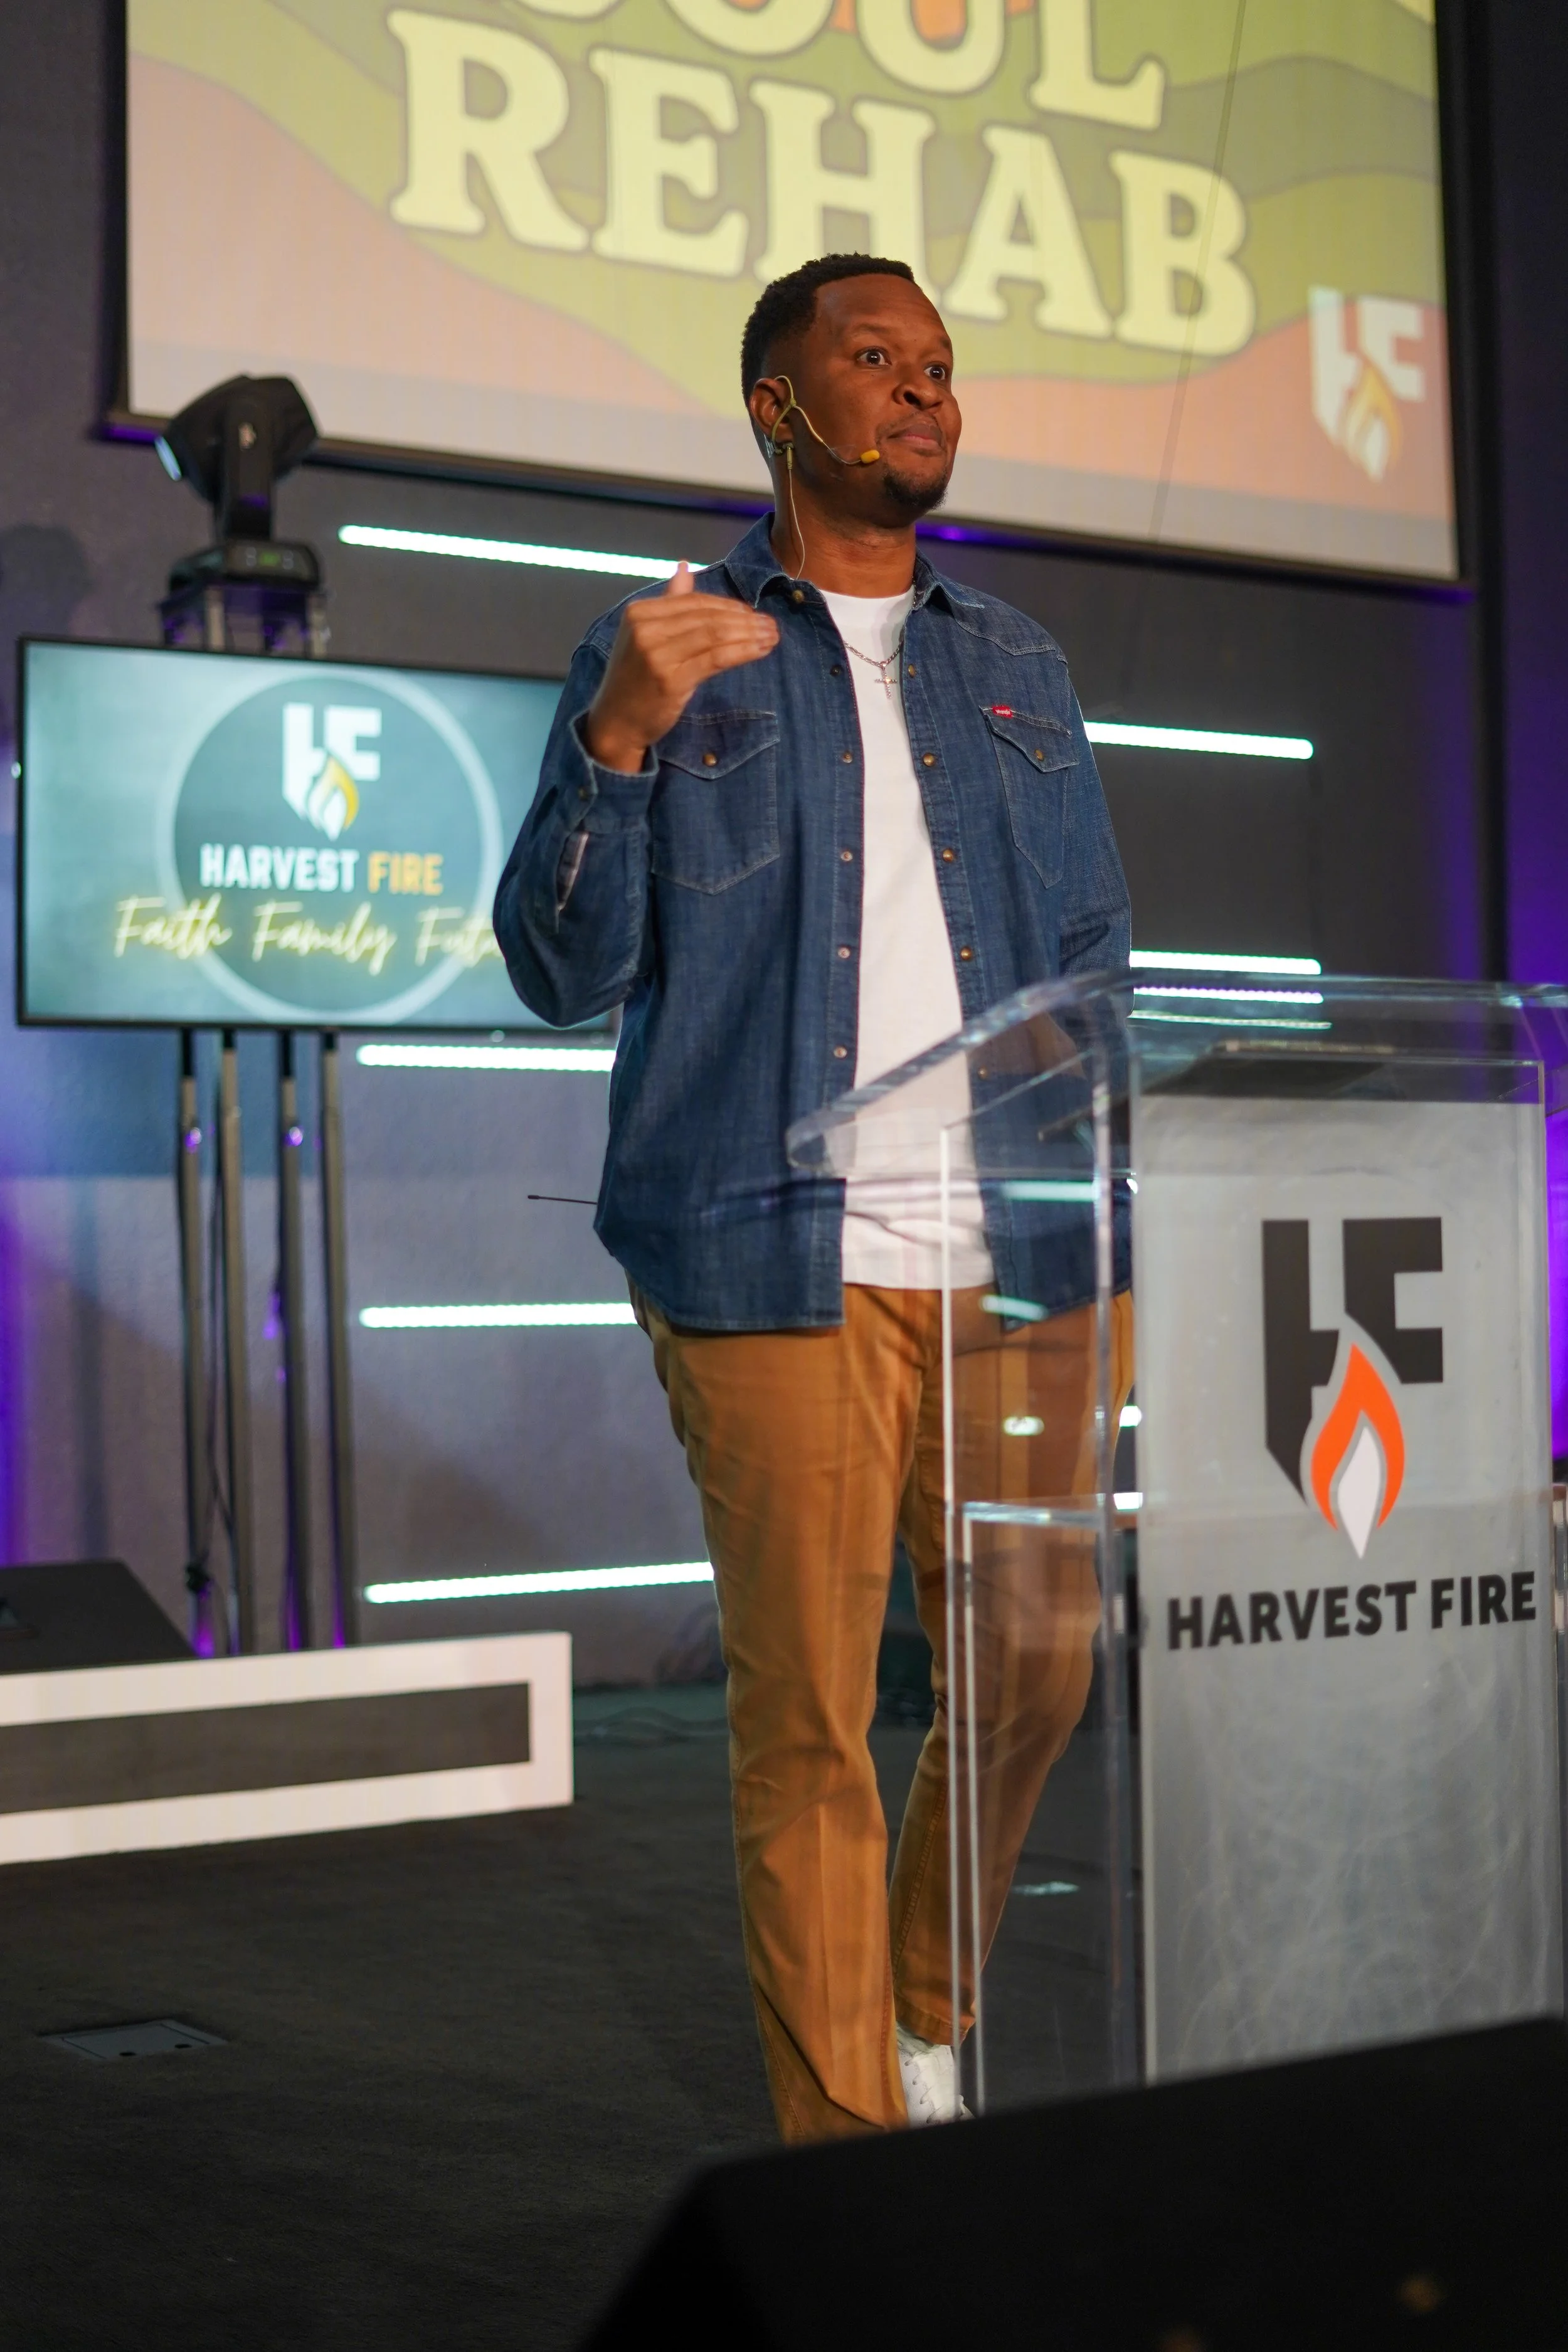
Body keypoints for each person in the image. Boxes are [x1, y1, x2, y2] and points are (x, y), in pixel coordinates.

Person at [494, 252, 1133, 2143]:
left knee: (1037, 1665)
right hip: (771, 1251)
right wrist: (612, 743)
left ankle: (921, 2002)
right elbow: (558, 966)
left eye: (939, 364)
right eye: (876, 360)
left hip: (1021, 1248)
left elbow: (1092, 948)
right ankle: (852, 2151)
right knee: (810, 1725)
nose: (923, 390)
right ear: (775, 406)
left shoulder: (1014, 664)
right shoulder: (668, 647)